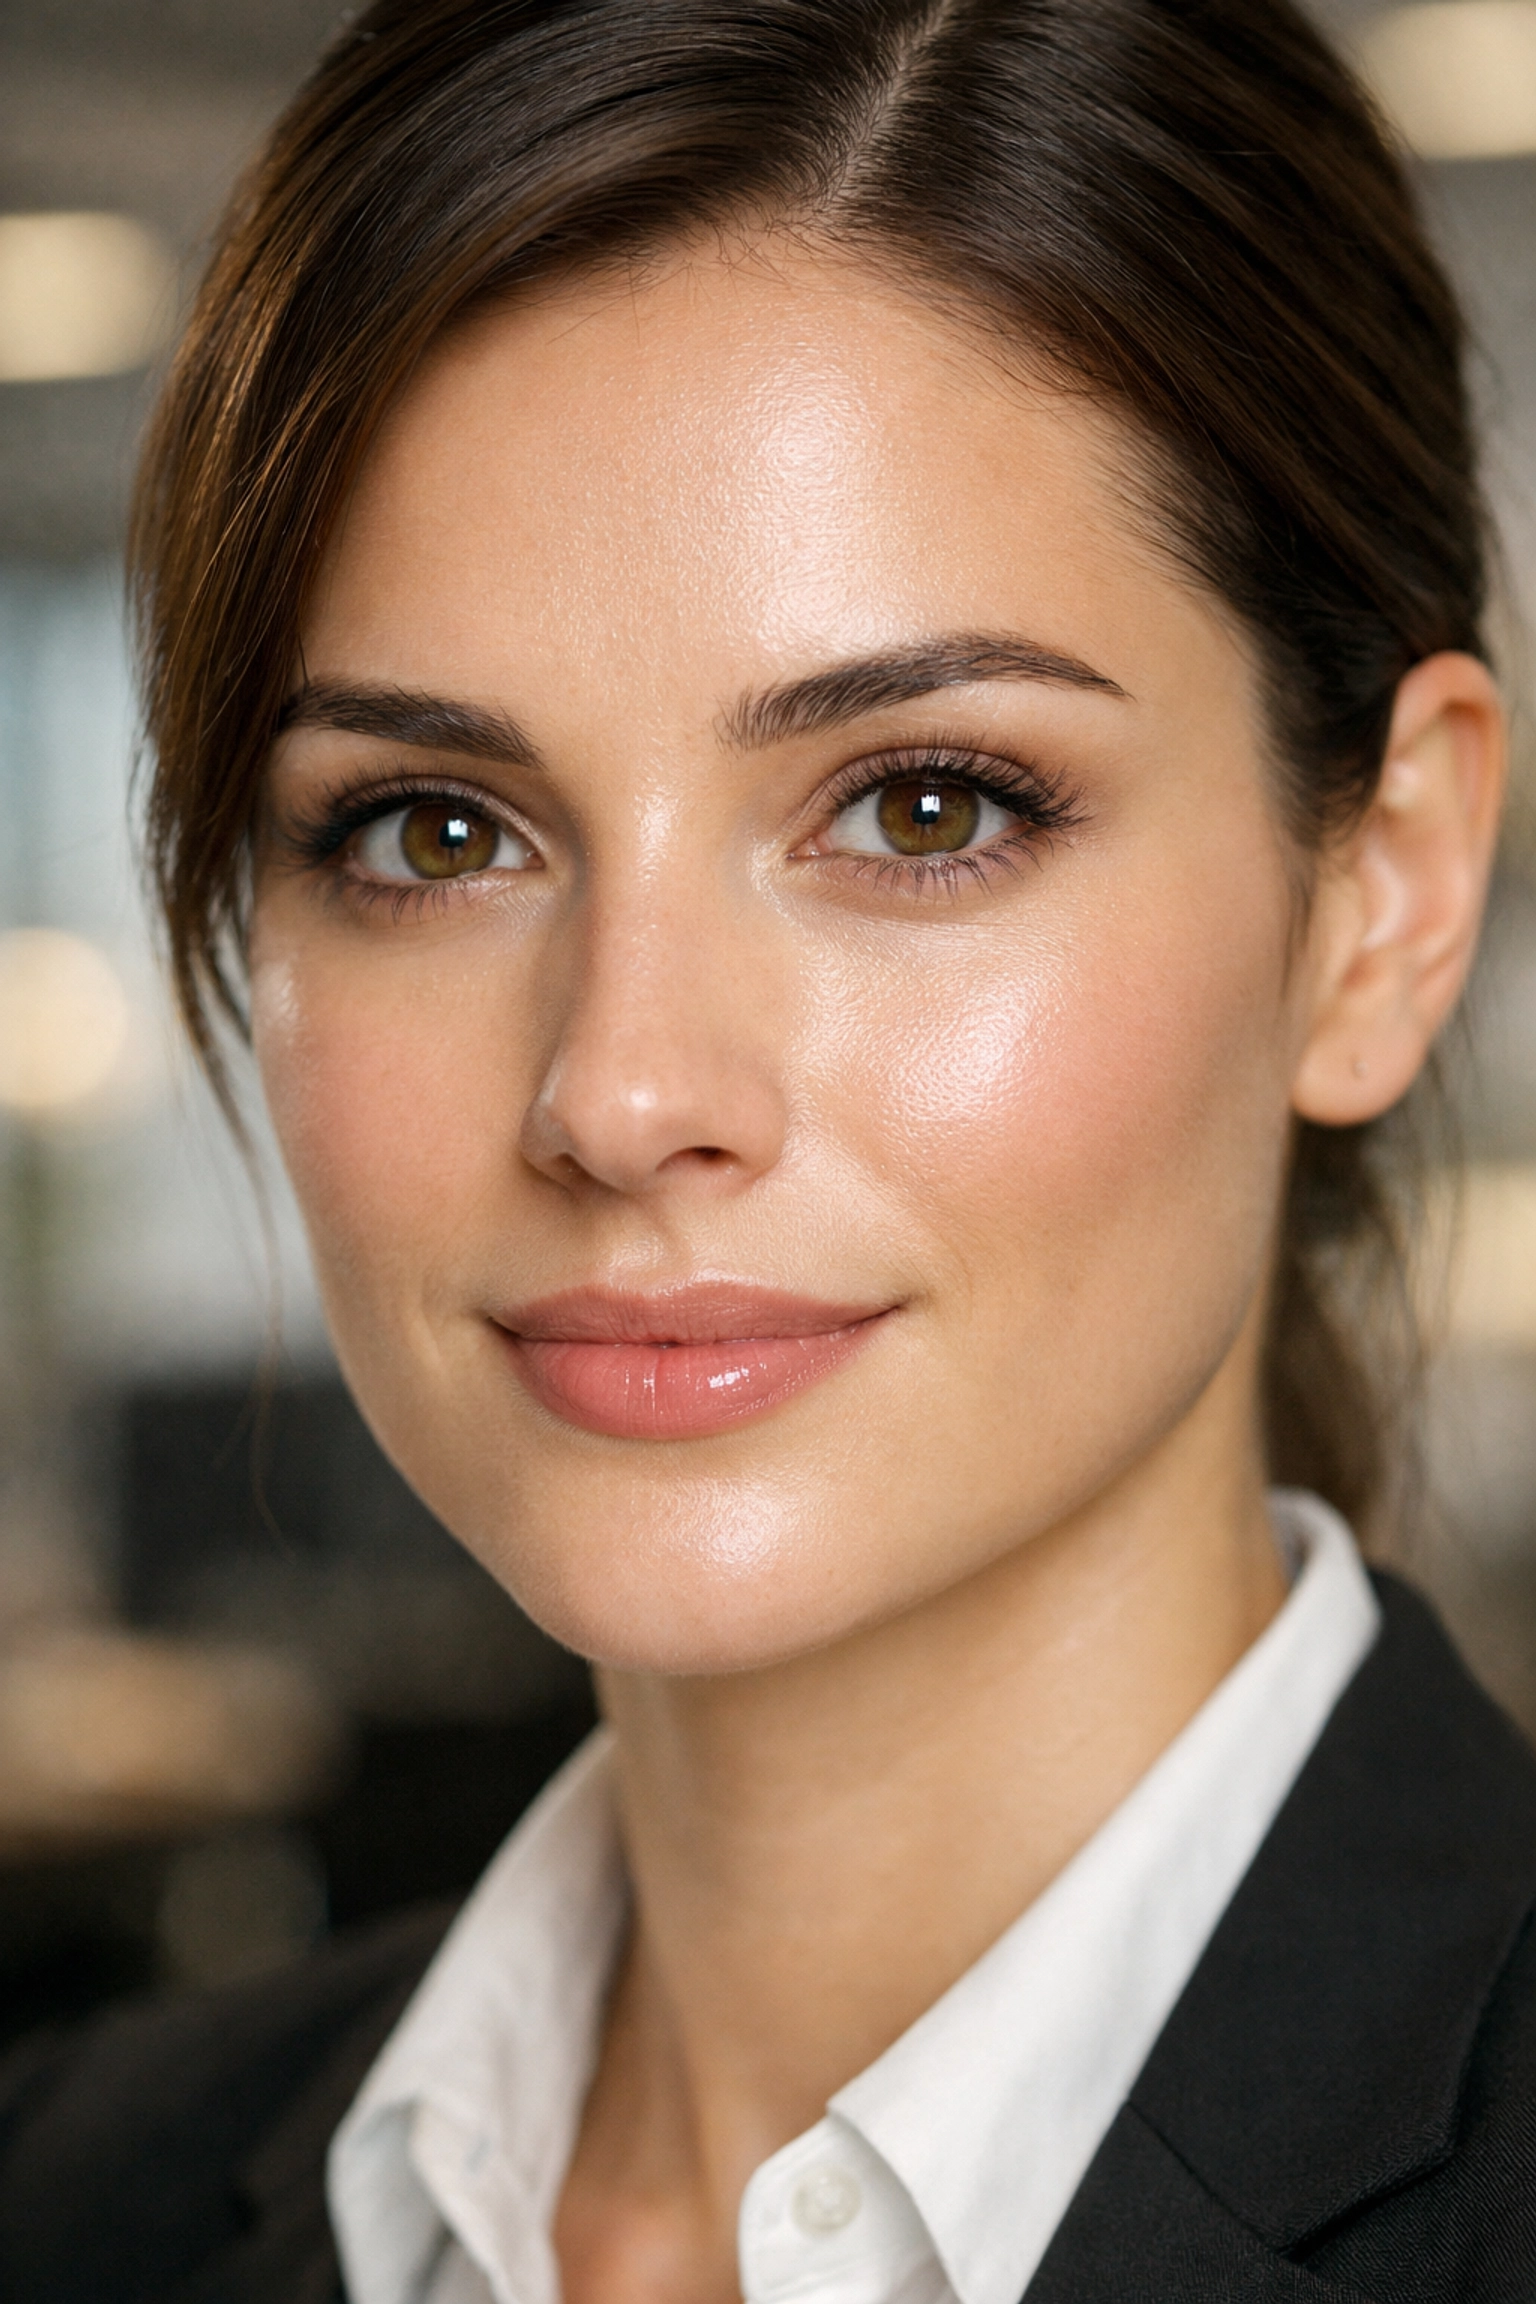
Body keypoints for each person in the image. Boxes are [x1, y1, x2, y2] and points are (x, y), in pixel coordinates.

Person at [2, 0, 1531, 2296]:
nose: (622, 1092)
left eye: (927, 808)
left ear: (1383, 896)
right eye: (433, 831)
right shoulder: (67, 2198)